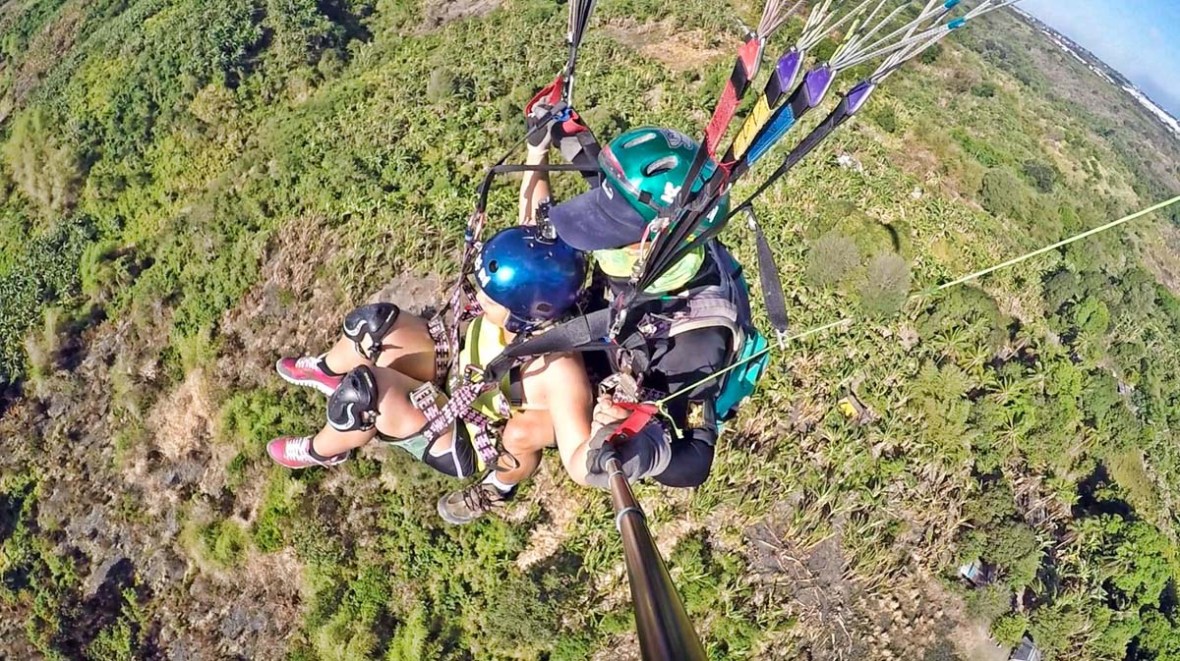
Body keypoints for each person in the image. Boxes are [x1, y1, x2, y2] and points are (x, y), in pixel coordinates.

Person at [267, 226, 609, 524]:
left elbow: (579, 463)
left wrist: (608, 441)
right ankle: (328, 372)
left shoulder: (560, 369)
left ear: (525, 313)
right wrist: (537, 155)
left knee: (363, 396)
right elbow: (532, 218)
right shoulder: (537, 281)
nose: (477, 297)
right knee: (373, 324)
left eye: (490, 299)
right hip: (452, 363)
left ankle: (322, 449)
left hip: (463, 429)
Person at [502, 125, 756, 493]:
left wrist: (647, 452)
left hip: (618, 379)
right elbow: (607, 188)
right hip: (611, 333)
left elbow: (696, 461)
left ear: (652, 242)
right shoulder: (656, 243)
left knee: (523, 425)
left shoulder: (695, 345)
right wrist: (562, 131)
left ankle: (502, 476)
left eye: (612, 234)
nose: (598, 240)